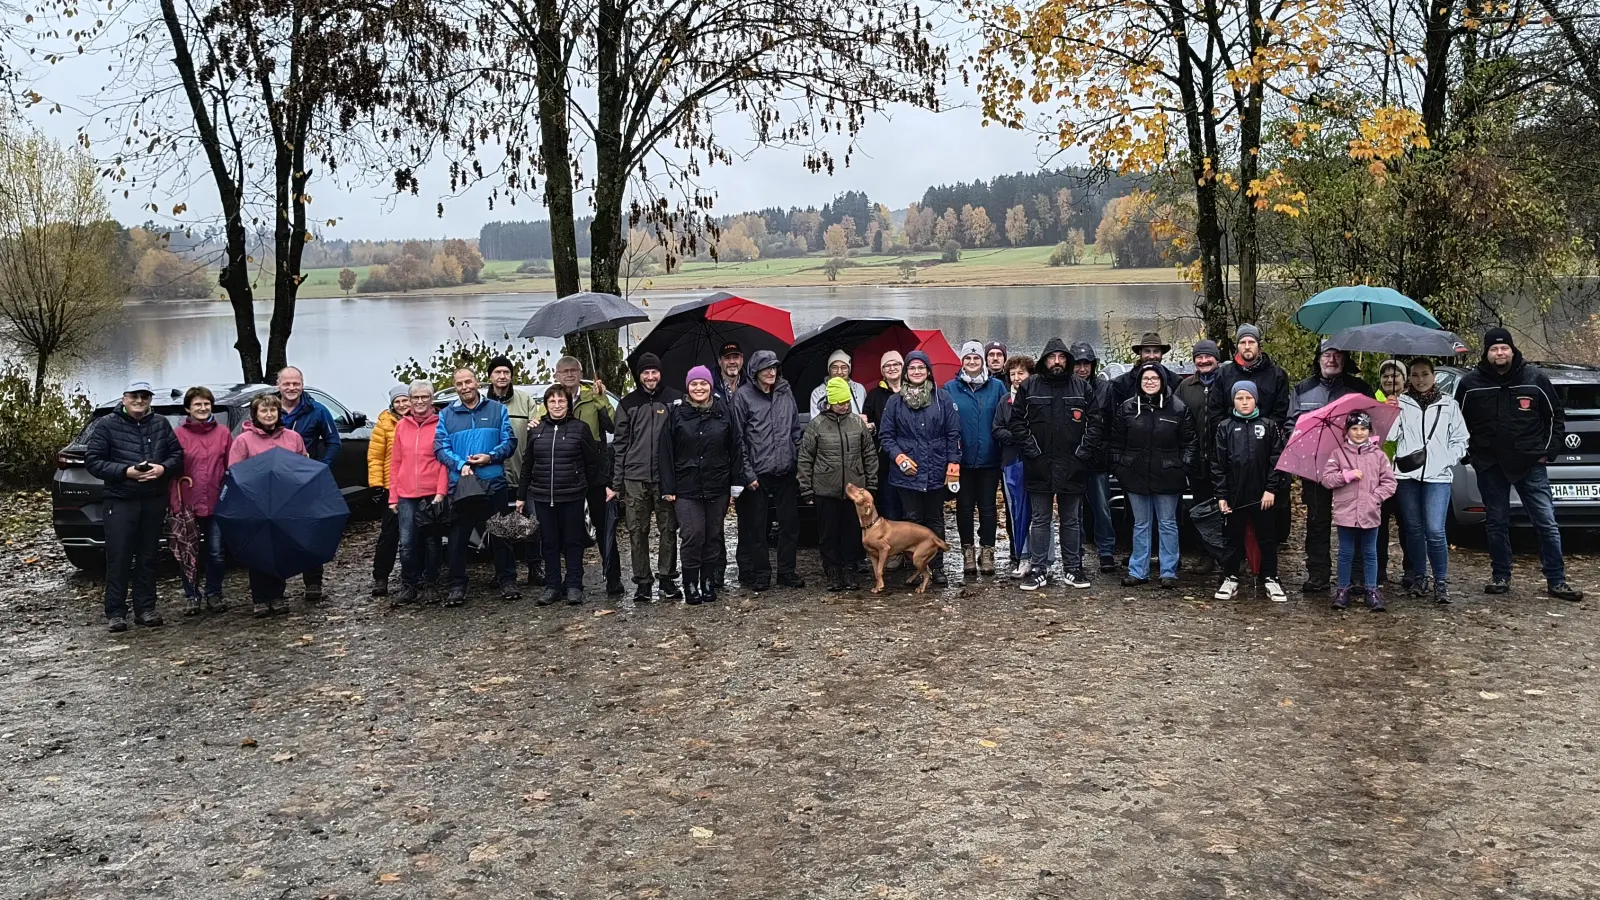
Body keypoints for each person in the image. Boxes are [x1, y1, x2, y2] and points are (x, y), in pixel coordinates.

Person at [1456, 328, 1584, 602]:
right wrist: (1470, 455)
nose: (1499, 353)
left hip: (1530, 463)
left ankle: (1557, 580)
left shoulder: (1535, 378)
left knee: (1546, 522)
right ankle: (1500, 576)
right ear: (1486, 352)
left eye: (1504, 348)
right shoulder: (1470, 384)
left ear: (1512, 350)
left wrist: (1547, 452)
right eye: (1494, 349)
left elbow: (1554, 417)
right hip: (1490, 464)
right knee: (1496, 522)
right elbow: (1457, 424)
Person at [86, 380, 183, 632]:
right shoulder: (107, 425)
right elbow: (94, 461)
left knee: (148, 557)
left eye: (144, 396)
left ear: (150, 399)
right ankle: (116, 612)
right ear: (124, 398)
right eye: (134, 396)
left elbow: (177, 455)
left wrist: (163, 468)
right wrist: (125, 471)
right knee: (119, 557)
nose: (139, 401)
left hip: (153, 498)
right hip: (120, 499)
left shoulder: (160, 423)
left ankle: (146, 608)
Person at [1097, 361, 1196, 588]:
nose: (1150, 382)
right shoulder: (1127, 408)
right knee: (1140, 524)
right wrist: (1120, 467)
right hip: (1135, 474)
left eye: (1154, 379)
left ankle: (1168, 571)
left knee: (1167, 523)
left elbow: (1190, 442)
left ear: (1162, 381)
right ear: (1139, 383)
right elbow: (1116, 442)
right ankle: (1138, 570)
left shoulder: (1178, 408)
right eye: (1145, 379)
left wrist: (1183, 467)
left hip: (1169, 474)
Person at [1288, 342, 1373, 593]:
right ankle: (1318, 573)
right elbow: (1290, 425)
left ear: (1345, 359)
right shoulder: (1302, 389)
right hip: (1315, 467)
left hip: (1352, 466)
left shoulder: (1359, 389)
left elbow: (1372, 425)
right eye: (1327, 355)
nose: (1332, 360)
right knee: (1317, 521)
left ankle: (1357, 575)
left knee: (1355, 520)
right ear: (1318, 358)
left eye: (1337, 355)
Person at [1010, 339, 1094, 591]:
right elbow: (1017, 423)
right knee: (1040, 519)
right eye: (1052, 357)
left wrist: (1081, 454)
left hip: (1073, 464)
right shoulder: (1029, 386)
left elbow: (1096, 423)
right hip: (1039, 464)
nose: (1057, 361)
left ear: (1067, 360)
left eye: (1061, 357)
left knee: (1071, 519)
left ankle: (1072, 568)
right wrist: (1033, 453)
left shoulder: (1081, 387)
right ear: (1044, 359)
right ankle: (1038, 569)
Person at [434, 367, 519, 606]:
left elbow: (509, 442)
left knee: (501, 534)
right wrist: (461, 464)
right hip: (462, 485)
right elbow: (440, 448)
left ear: (477, 382)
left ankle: (507, 580)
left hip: (493, 482)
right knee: (458, 538)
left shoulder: (497, 410)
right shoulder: (446, 415)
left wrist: (490, 457)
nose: (464, 387)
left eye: (468, 382)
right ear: (455, 386)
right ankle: (457, 585)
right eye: (459, 383)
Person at [879, 350, 962, 586]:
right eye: (912, 368)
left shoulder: (942, 398)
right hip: (907, 472)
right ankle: (917, 567)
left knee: (935, 519)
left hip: (936, 469)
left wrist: (953, 463)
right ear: (906, 372)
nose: (916, 372)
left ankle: (938, 567)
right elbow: (886, 436)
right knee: (911, 521)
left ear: (928, 371)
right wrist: (898, 457)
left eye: (920, 368)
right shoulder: (895, 402)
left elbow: (953, 434)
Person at [661, 366, 742, 605]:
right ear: (688, 387)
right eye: (694, 384)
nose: (699, 388)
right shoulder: (676, 414)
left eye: (703, 383)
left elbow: (736, 447)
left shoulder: (723, 413)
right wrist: (668, 487)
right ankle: (690, 583)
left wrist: (736, 482)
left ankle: (708, 580)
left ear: (710, 386)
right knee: (692, 534)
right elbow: (665, 452)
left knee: (712, 535)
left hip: (717, 485)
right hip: (686, 487)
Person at [518, 384, 604, 606]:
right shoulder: (536, 431)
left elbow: (593, 462)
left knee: (573, 541)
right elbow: (528, 465)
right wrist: (521, 495)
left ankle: (574, 584)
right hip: (543, 496)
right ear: (546, 405)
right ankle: (552, 585)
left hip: (572, 495)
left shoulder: (580, 428)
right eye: (552, 401)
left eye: (561, 401)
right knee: (549, 542)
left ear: (568, 404)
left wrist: (587, 486)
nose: (557, 405)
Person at [1392, 359, 1469, 604]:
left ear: (1433, 376)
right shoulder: (1401, 403)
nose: (1420, 379)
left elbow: (1461, 439)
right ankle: (1419, 577)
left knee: (1435, 530)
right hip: (1407, 475)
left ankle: (1441, 581)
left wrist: (1446, 458)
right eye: (1414, 375)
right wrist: (1390, 410)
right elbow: (1391, 435)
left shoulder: (1448, 404)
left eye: (1425, 374)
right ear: (1409, 378)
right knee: (1413, 529)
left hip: (1438, 476)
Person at [1211, 324, 1293, 549]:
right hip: (1233, 447)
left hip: (1265, 449)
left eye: (1251, 342)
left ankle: (1268, 558)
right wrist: (1229, 436)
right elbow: (1216, 410)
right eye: (1242, 342)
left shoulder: (1276, 374)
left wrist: (1265, 436)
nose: (1247, 346)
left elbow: (1281, 411)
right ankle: (1233, 564)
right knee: (1234, 513)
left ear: (1259, 344)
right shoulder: (1224, 374)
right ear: (1237, 345)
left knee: (1268, 510)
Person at [613, 352, 684, 603]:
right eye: (646, 372)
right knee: (637, 530)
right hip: (635, 476)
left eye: (654, 372)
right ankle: (642, 582)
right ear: (639, 375)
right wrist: (617, 481)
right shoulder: (628, 404)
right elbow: (620, 444)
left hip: (666, 477)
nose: (651, 377)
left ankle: (667, 578)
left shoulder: (676, 399)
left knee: (668, 529)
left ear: (660, 373)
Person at [732, 349, 805, 591]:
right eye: (766, 368)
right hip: (757, 472)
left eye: (774, 367)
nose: (771, 372)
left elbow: (795, 428)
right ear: (755, 371)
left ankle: (787, 571)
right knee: (757, 526)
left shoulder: (785, 391)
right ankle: (761, 572)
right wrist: (748, 473)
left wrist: (797, 461)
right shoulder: (743, 396)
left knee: (790, 525)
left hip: (785, 469)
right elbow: (738, 439)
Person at [227, 394, 306, 617]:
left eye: (273, 410)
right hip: (256, 504)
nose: (269, 414)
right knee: (260, 551)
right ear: (255, 415)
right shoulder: (243, 441)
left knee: (280, 550)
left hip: (285, 502)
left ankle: (278, 594)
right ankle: (260, 598)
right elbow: (235, 471)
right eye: (264, 411)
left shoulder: (293, 438)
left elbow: (303, 465)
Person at [798, 377, 880, 592]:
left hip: (855, 490)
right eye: (840, 402)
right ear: (829, 402)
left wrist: (871, 484)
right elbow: (805, 457)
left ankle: (850, 568)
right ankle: (832, 570)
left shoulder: (857, 422)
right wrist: (806, 488)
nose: (844, 406)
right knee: (828, 532)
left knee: (852, 531)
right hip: (826, 489)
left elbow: (869, 454)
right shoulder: (817, 425)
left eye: (846, 402)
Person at [1211, 381, 1289, 602]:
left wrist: (1271, 489)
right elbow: (1218, 464)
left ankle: (1271, 578)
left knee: (1266, 538)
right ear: (1233, 400)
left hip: (1262, 494)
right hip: (1235, 495)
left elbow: (1276, 460)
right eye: (1239, 398)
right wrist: (1222, 495)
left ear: (1256, 399)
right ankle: (1230, 577)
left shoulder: (1268, 426)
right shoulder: (1225, 427)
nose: (1244, 402)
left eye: (1248, 398)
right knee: (1233, 539)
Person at [552, 355, 622, 595]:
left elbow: (614, 426)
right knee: (569, 529)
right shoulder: (554, 399)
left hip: (595, 471)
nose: (570, 375)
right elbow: (542, 424)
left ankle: (613, 576)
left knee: (603, 526)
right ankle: (572, 578)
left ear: (580, 372)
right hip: (566, 472)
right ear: (556, 375)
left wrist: (602, 399)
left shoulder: (593, 396)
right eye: (565, 371)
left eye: (574, 370)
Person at [1319, 411, 1398, 611]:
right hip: (1346, 512)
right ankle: (1343, 589)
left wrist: (1376, 496)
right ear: (1347, 431)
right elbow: (1327, 479)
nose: (1359, 433)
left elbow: (1390, 482)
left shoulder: (1378, 455)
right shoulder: (1338, 454)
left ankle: (1371, 590)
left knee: (1370, 553)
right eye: (1354, 428)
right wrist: (1345, 476)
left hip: (1370, 512)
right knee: (1345, 552)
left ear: (1370, 431)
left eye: (1363, 429)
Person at [276, 366, 340, 602]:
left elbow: (334, 442)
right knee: (278, 534)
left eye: (296, 383)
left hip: (308, 481)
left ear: (302, 384)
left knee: (310, 532)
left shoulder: (317, 410)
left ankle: (313, 582)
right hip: (277, 484)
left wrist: (321, 467)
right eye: (287, 384)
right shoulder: (269, 410)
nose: (292, 388)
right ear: (278, 385)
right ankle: (276, 585)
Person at [944, 340, 1007, 577]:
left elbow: (1005, 418)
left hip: (990, 459)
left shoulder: (997, 387)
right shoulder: (950, 388)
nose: (972, 362)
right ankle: (968, 551)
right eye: (968, 358)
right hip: (961, 460)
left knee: (988, 507)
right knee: (964, 506)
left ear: (982, 361)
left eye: (976, 359)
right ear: (962, 361)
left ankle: (988, 550)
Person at [170, 386, 232, 615]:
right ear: (188, 408)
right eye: (197, 404)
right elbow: (172, 472)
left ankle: (214, 593)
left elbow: (231, 468)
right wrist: (175, 503)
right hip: (187, 501)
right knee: (188, 553)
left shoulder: (224, 433)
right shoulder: (178, 435)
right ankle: (191, 596)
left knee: (216, 552)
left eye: (206, 404)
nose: (203, 408)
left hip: (217, 501)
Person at [993, 354, 1056, 577]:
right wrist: (1019, 437)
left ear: (1031, 375)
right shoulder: (1004, 401)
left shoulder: (1041, 397)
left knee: (1042, 513)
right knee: (1018, 513)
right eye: (1013, 374)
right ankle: (1023, 557)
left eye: (1022, 373)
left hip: (1039, 462)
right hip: (1012, 462)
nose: (1017, 378)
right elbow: (997, 429)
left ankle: (1046, 560)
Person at [486, 355, 545, 588]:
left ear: (511, 376)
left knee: (531, 522)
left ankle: (534, 567)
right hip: (494, 476)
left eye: (506, 372)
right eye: (498, 372)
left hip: (524, 472)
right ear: (490, 376)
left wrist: (536, 424)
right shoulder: (483, 404)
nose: (502, 376)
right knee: (497, 524)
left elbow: (540, 424)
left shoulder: (525, 400)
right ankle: (502, 571)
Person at [388, 381, 447, 606]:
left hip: (432, 492)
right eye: (416, 398)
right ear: (409, 401)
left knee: (432, 541)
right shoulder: (402, 426)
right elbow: (396, 462)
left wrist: (441, 491)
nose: (420, 401)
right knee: (407, 542)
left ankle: (430, 583)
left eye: (424, 397)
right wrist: (393, 495)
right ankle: (409, 585)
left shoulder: (441, 423)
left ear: (432, 400)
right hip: (406, 493)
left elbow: (444, 460)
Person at [1176, 340, 1224, 574]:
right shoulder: (1185, 386)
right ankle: (1207, 555)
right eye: (1199, 357)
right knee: (1202, 509)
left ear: (1217, 358)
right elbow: (1176, 417)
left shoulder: (1227, 382)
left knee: (1228, 508)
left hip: (1223, 460)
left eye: (1208, 357)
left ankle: (1230, 556)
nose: (1204, 361)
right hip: (1196, 460)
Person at [1070, 341, 1118, 573]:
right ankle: (1075, 553)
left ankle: (1106, 551)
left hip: (1097, 459)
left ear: (1092, 365)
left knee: (1102, 508)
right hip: (1071, 459)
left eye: (1086, 364)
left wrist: (1105, 450)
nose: (1081, 369)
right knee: (1074, 510)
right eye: (1077, 364)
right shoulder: (1065, 387)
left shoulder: (1105, 388)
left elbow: (1111, 423)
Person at [366, 385, 409, 598]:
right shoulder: (384, 425)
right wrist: (376, 484)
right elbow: (375, 456)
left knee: (417, 533)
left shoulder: (420, 421)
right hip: (391, 486)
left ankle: (415, 576)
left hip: (415, 484)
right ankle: (381, 577)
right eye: (397, 402)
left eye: (405, 400)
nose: (402, 405)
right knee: (389, 534)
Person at [1372, 359, 1411, 586]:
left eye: (1395, 375)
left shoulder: (1411, 402)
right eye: (1385, 375)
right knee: (1379, 523)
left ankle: (1411, 570)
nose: (1389, 379)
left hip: (1406, 471)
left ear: (1403, 379)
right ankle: (1378, 569)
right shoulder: (1372, 401)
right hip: (1379, 473)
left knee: (1407, 523)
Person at [864, 350, 908, 528]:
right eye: (887, 366)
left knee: (910, 506)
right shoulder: (875, 395)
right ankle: (894, 549)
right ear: (882, 371)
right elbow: (866, 419)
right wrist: (870, 426)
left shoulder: (912, 391)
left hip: (910, 454)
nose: (892, 368)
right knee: (890, 505)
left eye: (896, 364)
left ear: (902, 367)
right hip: (885, 458)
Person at [808, 349, 867, 415]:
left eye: (844, 367)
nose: (839, 372)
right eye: (834, 367)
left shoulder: (859, 389)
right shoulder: (818, 393)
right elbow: (816, 422)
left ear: (849, 370)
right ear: (829, 370)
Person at [712, 341, 746, 412]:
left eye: (736, 357)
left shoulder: (750, 385)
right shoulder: (708, 387)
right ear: (719, 361)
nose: (732, 361)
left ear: (742, 359)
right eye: (727, 358)